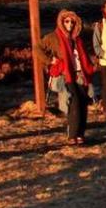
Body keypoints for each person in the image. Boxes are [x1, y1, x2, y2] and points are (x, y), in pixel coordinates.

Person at [35, 9, 96, 145]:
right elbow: (38, 48)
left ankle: (80, 134)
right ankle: (72, 135)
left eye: (72, 22)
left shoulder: (77, 39)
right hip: (66, 75)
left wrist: (91, 65)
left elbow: (83, 56)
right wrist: (50, 60)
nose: (70, 25)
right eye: (66, 21)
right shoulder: (54, 37)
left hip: (80, 74)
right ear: (61, 22)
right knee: (73, 103)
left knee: (83, 103)